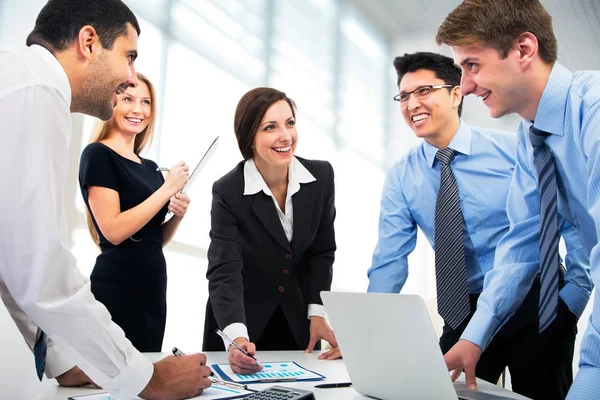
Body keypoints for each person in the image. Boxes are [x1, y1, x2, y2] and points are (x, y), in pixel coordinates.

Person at [323, 51, 589, 398]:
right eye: (403, 96)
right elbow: (389, 259)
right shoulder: (403, 176)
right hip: (462, 308)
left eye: (423, 91)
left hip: (536, 301)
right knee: (440, 394)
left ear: (455, 93)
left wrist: (574, 294)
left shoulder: (513, 150)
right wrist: (365, 336)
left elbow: (567, 218)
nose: (411, 103)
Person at [0, 1, 210, 399]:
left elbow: (12, 260)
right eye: (129, 57)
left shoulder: (22, 81)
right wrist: (147, 379)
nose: (130, 77)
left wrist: (63, 361)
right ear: (89, 42)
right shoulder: (37, 92)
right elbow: (41, 268)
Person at [436, 1, 598, 399]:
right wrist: (475, 337)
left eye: (472, 65)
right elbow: (523, 242)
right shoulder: (532, 135)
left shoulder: (593, 111)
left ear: (525, 49)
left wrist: (590, 375)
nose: (467, 86)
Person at [202, 87, 339, 373]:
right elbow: (224, 269)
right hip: (240, 320)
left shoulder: (321, 177)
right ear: (248, 137)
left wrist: (317, 311)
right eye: (270, 127)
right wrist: (236, 336)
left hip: (296, 320)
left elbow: (321, 252)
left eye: (290, 123)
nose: (285, 136)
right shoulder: (228, 191)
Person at [79, 72, 190, 352]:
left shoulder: (151, 168)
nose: (138, 110)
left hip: (152, 285)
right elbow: (114, 232)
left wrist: (177, 214)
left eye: (146, 102)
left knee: (146, 374)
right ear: (112, 101)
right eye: (128, 99)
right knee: (113, 375)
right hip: (118, 284)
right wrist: (166, 191)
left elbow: (153, 239)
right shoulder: (98, 154)